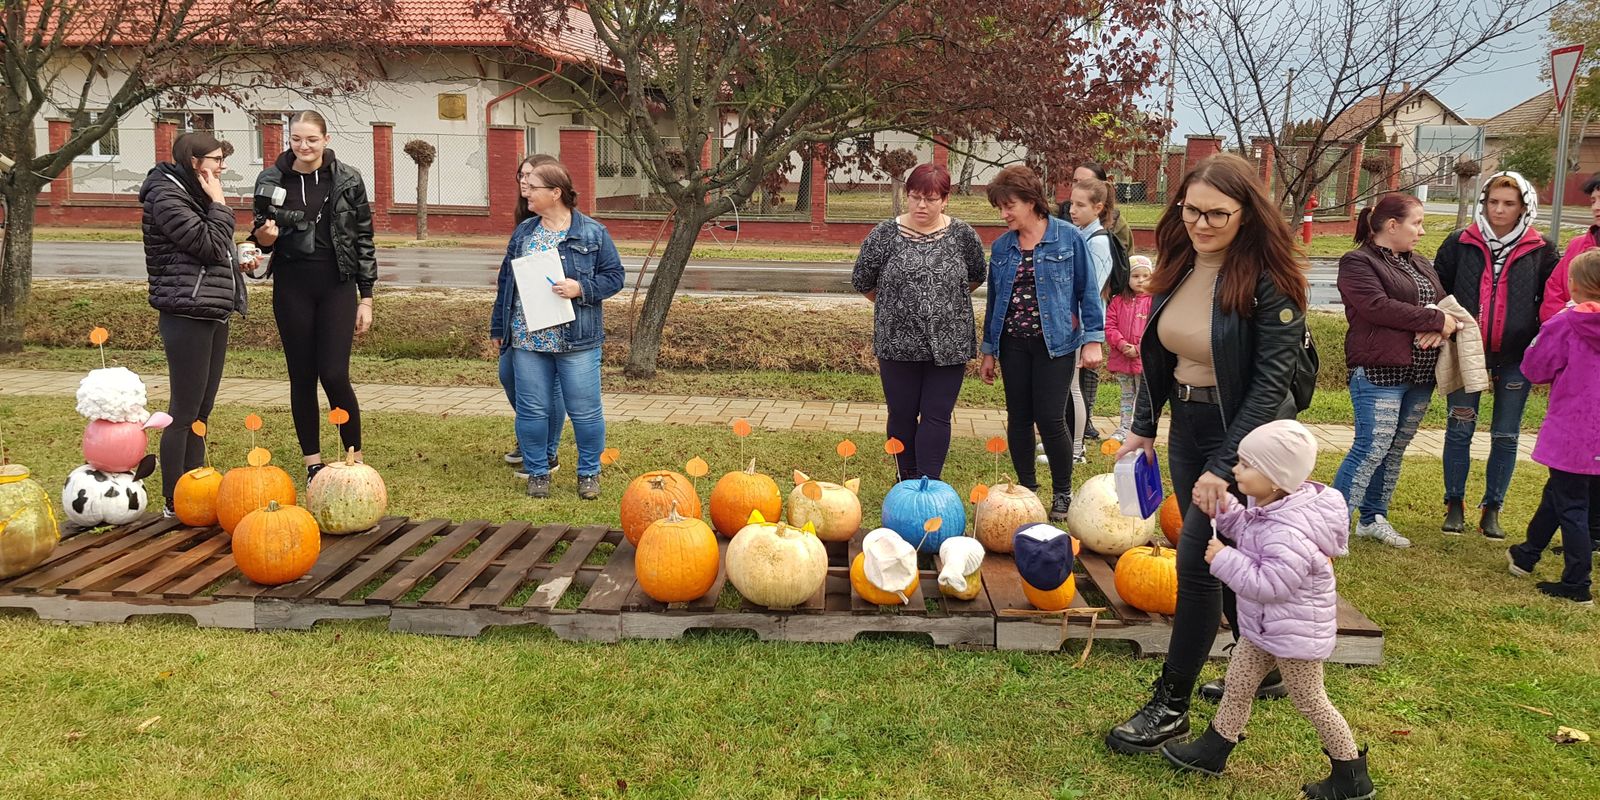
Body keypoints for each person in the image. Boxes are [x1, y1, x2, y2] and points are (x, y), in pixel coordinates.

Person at [1106, 153, 1309, 756]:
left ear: (1247, 213)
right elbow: (1158, 356)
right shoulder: (1180, 263)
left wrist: (1225, 467)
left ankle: (1170, 705)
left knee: (1196, 563)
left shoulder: (1271, 279)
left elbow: (1272, 385)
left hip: (1248, 441)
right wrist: (1143, 425)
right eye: (1191, 210)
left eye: (1217, 213)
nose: (1201, 223)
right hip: (1190, 424)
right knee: (1233, 559)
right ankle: (1265, 664)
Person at [1162, 420, 1374, 800]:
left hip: (1293, 635)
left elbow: (1272, 584)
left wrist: (1224, 559)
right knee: (1239, 685)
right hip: (1265, 629)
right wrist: (1225, 507)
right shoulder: (1272, 505)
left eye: (1246, 465)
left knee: (1311, 702)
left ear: (1276, 477)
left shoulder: (1289, 531)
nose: (1237, 469)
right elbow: (1249, 529)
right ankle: (1214, 749)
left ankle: (1351, 775)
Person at [249, 110, 378, 486]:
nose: (303, 146)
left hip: (337, 284)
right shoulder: (271, 179)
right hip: (292, 286)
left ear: (326, 139)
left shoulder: (348, 178)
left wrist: (366, 296)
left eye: (311, 139)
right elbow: (257, 235)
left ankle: (354, 461)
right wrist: (264, 240)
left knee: (335, 374)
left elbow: (364, 239)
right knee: (302, 376)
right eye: (296, 140)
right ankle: (314, 465)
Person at [489, 159, 624, 499]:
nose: (526, 191)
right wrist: (498, 326)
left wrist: (581, 288)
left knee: (585, 409)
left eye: (533, 186)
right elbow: (507, 281)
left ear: (556, 192)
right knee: (532, 408)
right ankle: (538, 470)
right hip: (528, 337)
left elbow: (615, 276)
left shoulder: (592, 232)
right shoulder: (524, 232)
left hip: (577, 340)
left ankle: (589, 472)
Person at [1434, 172, 1559, 538]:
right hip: (1467, 351)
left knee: (1506, 435)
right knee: (1460, 429)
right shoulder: (1460, 242)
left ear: (1524, 207)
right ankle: (1454, 502)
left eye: (1508, 203)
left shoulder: (1541, 249)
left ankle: (1492, 508)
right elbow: (1438, 288)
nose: (1499, 210)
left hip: (1517, 356)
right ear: (1483, 203)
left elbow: (1550, 299)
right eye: (1493, 202)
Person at [978, 165, 1104, 521]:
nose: (1004, 214)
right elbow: (995, 301)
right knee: (1018, 418)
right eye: (1000, 207)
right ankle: (1028, 491)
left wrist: (1093, 340)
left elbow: (1087, 291)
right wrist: (989, 349)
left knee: (1050, 419)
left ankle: (1063, 492)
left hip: (1057, 345)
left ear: (1032, 201)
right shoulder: (1003, 246)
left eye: (1009, 205)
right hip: (1013, 343)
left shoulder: (1068, 238)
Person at [1332, 193, 1454, 549]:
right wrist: (1436, 319)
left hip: (1420, 373)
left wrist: (1439, 323)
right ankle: (1332, 526)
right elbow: (1377, 307)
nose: (1421, 230)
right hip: (1379, 370)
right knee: (1371, 447)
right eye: (1416, 223)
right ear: (1391, 225)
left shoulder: (1421, 262)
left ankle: (1373, 517)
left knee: (1395, 448)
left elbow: (1441, 303)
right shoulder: (1357, 262)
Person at [852, 163, 987, 480]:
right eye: (914, 197)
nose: (921, 206)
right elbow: (863, 280)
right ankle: (905, 478)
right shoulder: (884, 235)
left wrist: (942, 305)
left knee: (937, 415)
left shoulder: (963, 236)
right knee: (901, 414)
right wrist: (896, 306)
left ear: (946, 198)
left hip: (949, 344)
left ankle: (929, 482)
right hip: (897, 344)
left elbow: (976, 276)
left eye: (930, 199)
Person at [140, 131, 252, 514]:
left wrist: (239, 261)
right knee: (182, 412)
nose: (222, 167)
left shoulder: (191, 193)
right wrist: (220, 203)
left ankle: (198, 489)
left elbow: (215, 251)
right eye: (217, 159)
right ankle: (175, 498)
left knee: (202, 410)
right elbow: (207, 244)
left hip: (212, 309)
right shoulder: (166, 196)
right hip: (185, 311)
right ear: (194, 161)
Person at [1507, 249, 1600, 606]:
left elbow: (1536, 367)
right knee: (1561, 492)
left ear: (1576, 284)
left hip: (1574, 426)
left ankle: (1577, 582)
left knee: (1572, 504)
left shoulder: (1566, 322)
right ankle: (1526, 554)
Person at [500, 153, 567, 480]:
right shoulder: (526, 221)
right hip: (520, 320)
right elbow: (508, 275)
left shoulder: (571, 224)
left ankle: (546, 451)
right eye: (521, 176)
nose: (524, 183)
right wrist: (498, 321)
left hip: (553, 319)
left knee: (548, 388)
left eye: (531, 177)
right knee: (509, 375)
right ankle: (531, 437)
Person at [1065, 177, 1122, 458]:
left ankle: (1076, 449)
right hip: (1074, 324)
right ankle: (1066, 442)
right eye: (1071, 203)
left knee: (1073, 388)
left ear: (1098, 208)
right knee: (1066, 387)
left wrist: (1088, 336)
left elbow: (1090, 290)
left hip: (1082, 327)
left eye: (1080, 205)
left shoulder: (1097, 243)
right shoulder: (1082, 235)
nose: (1072, 210)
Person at [1104, 256, 1154, 441]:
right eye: (1135, 276)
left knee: (1143, 397)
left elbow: (1156, 330)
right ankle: (1124, 427)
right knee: (1126, 395)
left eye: (1145, 276)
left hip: (1144, 360)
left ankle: (1139, 430)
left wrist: (1139, 349)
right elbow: (1109, 325)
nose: (1140, 280)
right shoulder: (1118, 301)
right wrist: (1122, 344)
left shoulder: (1154, 301)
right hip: (1122, 357)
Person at [1539, 173, 1600, 321]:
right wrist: (1569, 325)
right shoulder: (1577, 245)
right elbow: (1553, 292)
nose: (1596, 207)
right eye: (1593, 201)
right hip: (1572, 338)